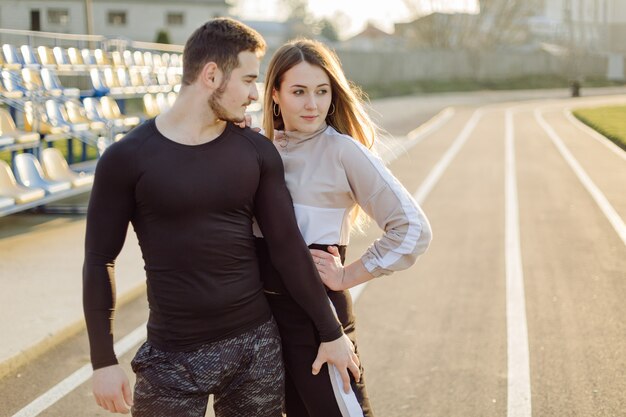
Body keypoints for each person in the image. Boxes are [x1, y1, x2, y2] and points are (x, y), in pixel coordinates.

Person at [83, 19, 360, 417]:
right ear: (212, 74)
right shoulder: (127, 159)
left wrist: (331, 331)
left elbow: (286, 246)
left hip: (254, 349)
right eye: (248, 79)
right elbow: (98, 260)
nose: (254, 93)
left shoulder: (255, 151)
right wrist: (102, 361)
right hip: (171, 358)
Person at [255, 39, 433, 417]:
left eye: (322, 92)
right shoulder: (258, 148)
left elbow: (413, 229)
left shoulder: (343, 151)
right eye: (299, 92)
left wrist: (347, 275)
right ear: (274, 94)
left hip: (317, 323)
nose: (312, 104)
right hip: (263, 327)